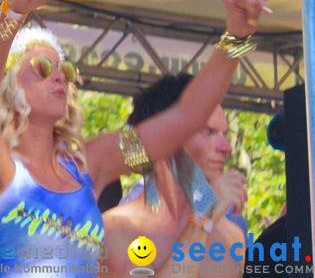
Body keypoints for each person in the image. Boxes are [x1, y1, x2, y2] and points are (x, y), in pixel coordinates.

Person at [0, 0, 275, 276]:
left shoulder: (90, 164)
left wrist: (237, 39)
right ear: (8, 88)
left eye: (64, 69)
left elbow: (186, 117)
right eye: (41, 69)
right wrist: (13, 11)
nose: (58, 77)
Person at [102, 74, 249, 275]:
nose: (226, 147)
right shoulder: (114, 231)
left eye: (225, 134)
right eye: (209, 132)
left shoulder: (231, 237)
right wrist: (202, 220)